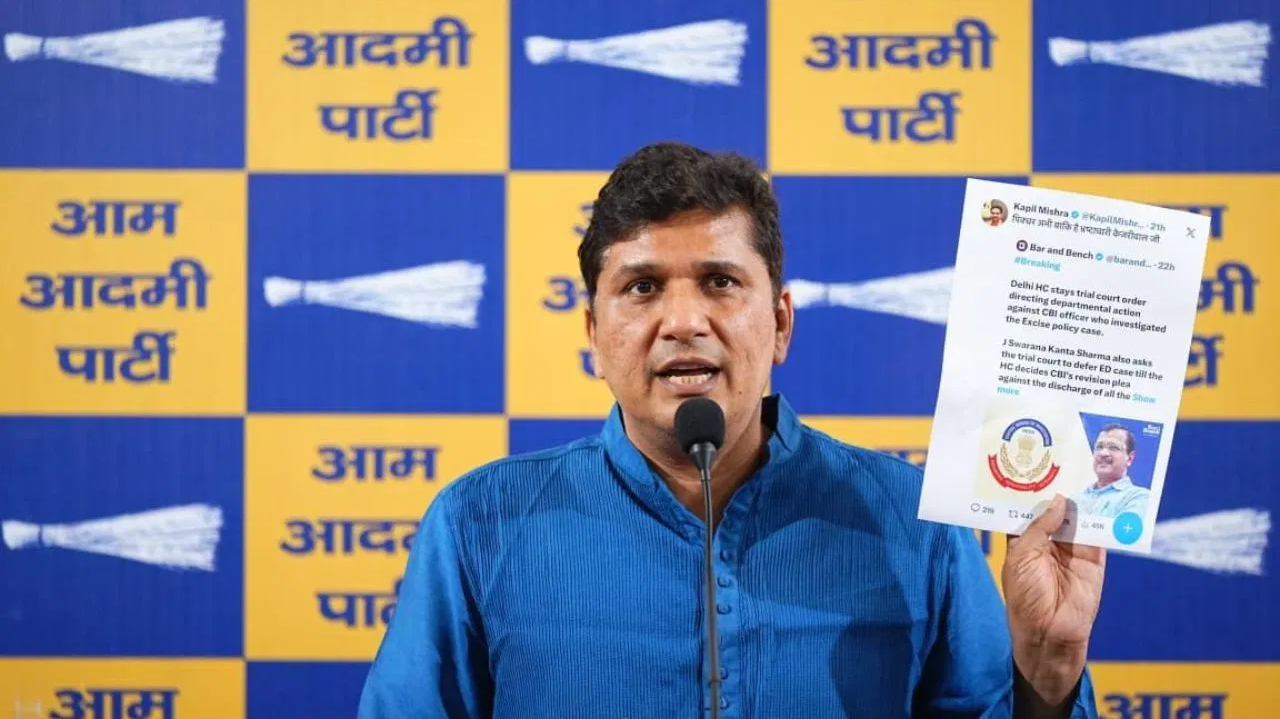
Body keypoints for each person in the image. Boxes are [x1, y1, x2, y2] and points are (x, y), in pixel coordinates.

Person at [358, 142, 1104, 718]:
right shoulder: (479, 522)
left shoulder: (914, 520)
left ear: (780, 323)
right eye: (642, 287)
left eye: (720, 282)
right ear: (594, 337)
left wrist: (1048, 673)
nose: (684, 321)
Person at [1074, 424, 1151, 519]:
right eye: (1099, 447)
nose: (1103, 453)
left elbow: (1122, 528)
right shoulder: (1075, 499)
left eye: (1113, 448)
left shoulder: (1139, 497)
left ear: (1130, 458)